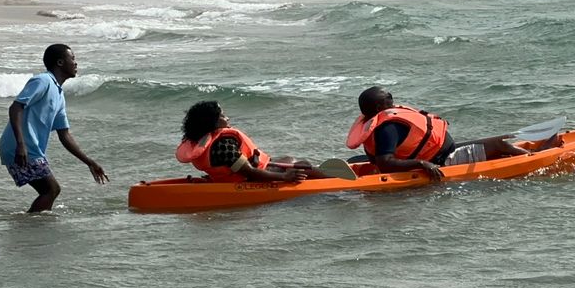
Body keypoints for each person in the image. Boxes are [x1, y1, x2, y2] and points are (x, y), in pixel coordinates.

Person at [0, 44, 108, 213]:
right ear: (59, 62)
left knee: (49, 190)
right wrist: (21, 145)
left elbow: (64, 135)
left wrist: (89, 162)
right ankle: (29, 229)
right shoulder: (43, 81)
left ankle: (33, 227)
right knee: (51, 189)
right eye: (72, 59)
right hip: (19, 148)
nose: (76, 63)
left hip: (30, 149)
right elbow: (15, 107)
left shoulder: (59, 94)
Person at [346, 87, 528, 182]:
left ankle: (525, 153)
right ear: (379, 108)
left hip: (439, 152)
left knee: (497, 143)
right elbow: (385, 164)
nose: (393, 100)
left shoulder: (373, 123)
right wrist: (421, 164)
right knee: (499, 145)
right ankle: (533, 159)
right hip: (442, 161)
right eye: (389, 98)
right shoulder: (388, 127)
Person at [177, 101, 343, 182]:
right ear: (211, 122)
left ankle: (330, 175)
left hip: (232, 178)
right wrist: (285, 177)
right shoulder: (223, 144)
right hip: (250, 179)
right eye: (222, 115)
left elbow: (226, 168)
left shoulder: (198, 140)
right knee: (302, 164)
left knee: (289, 159)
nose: (227, 118)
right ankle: (340, 182)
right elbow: (250, 172)